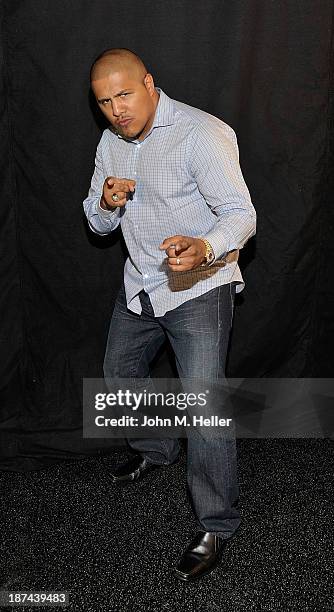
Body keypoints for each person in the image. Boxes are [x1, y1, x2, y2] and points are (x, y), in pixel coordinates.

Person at [83, 48, 256, 581]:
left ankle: (216, 525)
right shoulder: (110, 143)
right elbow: (97, 224)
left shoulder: (201, 133)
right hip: (142, 285)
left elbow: (242, 214)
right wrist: (107, 203)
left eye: (125, 94)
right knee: (119, 375)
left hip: (199, 286)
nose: (117, 110)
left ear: (150, 83)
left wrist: (204, 247)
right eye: (106, 102)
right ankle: (156, 449)